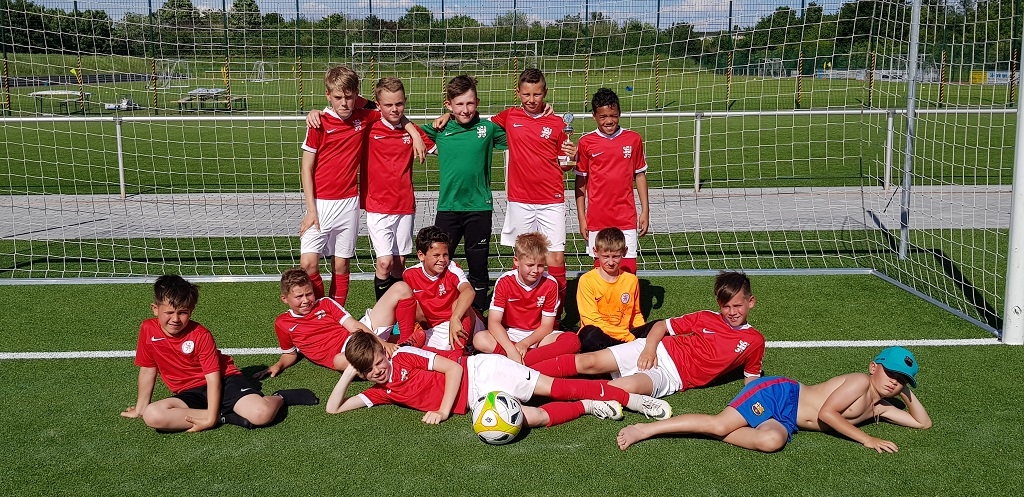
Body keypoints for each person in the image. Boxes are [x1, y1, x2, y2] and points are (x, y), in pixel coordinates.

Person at [616, 346, 932, 453]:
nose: (894, 381)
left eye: (902, 379)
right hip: (779, 394)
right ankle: (645, 430)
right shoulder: (860, 382)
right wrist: (866, 439)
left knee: (771, 442)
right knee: (719, 424)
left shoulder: (881, 407)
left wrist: (905, 392)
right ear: (873, 367)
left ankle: (713, 432)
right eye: (891, 373)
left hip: (787, 420)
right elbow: (827, 414)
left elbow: (923, 423)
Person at [325, 332, 674, 428]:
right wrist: (350, 372)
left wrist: (443, 411)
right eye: (370, 371)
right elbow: (333, 410)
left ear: (384, 352)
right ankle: (587, 406)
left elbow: (454, 370)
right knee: (530, 418)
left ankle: (632, 400)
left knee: (557, 388)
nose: (379, 371)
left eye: (378, 362)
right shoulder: (382, 391)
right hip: (478, 401)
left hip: (483, 372)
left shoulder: (403, 356)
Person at [121, 275, 317, 433]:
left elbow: (213, 379)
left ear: (191, 311)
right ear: (155, 309)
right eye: (169, 313)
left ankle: (280, 397)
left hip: (225, 382)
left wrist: (210, 418)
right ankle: (225, 416)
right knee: (152, 415)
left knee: (261, 414)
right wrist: (140, 409)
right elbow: (148, 370)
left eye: (182, 312)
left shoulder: (201, 334)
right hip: (189, 393)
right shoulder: (147, 329)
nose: (176, 319)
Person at [299, 65, 425, 305]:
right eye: (338, 97)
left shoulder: (364, 117)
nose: (344, 103)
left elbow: (390, 110)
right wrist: (311, 209)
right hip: (319, 204)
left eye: (349, 97)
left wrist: (413, 131)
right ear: (328, 95)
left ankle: (336, 313)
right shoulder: (318, 123)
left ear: (356, 95)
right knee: (308, 264)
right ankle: (319, 313)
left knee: (341, 265)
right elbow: (306, 168)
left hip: (349, 203)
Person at [534, 271, 764, 400]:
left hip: (673, 377)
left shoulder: (754, 341)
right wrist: (649, 349)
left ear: (751, 302)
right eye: (726, 307)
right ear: (719, 305)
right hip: (658, 350)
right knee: (589, 361)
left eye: (737, 306)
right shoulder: (705, 317)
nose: (732, 312)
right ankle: (526, 373)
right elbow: (662, 325)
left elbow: (751, 376)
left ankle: (547, 390)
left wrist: (754, 400)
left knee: (622, 387)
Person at [422, 75, 507, 312]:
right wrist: (446, 117)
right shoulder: (440, 129)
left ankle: (477, 314)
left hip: (479, 208)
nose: (465, 109)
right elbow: (406, 128)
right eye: (459, 104)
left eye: (470, 103)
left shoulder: (487, 129)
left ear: (477, 102)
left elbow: (519, 132)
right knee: (438, 262)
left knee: (478, 265)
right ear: (448, 104)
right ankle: (438, 309)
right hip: (448, 208)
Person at [254, 268, 417, 378]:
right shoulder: (282, 323)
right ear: (285, 299)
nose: (305, 300)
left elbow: (354, 326)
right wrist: (278, 366)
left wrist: (381, 342)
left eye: (309, 294)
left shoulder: (324, 303)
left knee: (401, 287)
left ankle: (407, 345)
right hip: (345, 355)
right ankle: (398, 354)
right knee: (339, 361)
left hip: (361, 336)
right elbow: (290, 354)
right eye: (299, 297)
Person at [472, 232, 582, 365]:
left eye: (540, 265)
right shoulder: (504, 281)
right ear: (516, 261)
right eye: (530, 265)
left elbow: (547, 326)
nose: (535, 270)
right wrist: (511, 349)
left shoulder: (550, 283)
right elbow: (494, 322)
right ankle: (533, 361)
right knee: (479, 339)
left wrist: (525, 344)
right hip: (510, 334)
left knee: (571, 341)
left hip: (539, 337)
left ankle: (518, 362)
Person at [574, 87, 649, 274]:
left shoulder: (633, 139)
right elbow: (581, 181)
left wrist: (645, 211)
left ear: (620, 113)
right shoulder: (586, 142)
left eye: (613, 115)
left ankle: (628, 296)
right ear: (594, 116)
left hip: (626, 216)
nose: (609, 121)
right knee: (602, 270)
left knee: (628, 269)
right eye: (603, 116)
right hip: (597, 218)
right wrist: (582, 218)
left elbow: (640, 175)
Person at [402, 225, 485, 354]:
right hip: (434, 328)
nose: (442, 260)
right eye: (436, 255)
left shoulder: (452, 268)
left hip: (460, 320)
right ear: (421, 255)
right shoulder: (410, 275)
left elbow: (469, 291)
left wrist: (455, 318)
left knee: (458, 304)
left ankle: (462, 351)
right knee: (409, 302)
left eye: (445, 254)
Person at [574, 227, 649, 352]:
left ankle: (624, 352)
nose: (610, 262)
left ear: (624, 252)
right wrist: (628, 337)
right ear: (595, 252)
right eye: (605, 256)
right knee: (590, 335)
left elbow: (636, 314)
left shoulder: (631, 280)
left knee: (658, 327)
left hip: (624, 333)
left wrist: (643, 336)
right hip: (603, 335)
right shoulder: (587, 280)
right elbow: (591, 320)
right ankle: (624, 352)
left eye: (615, 256)